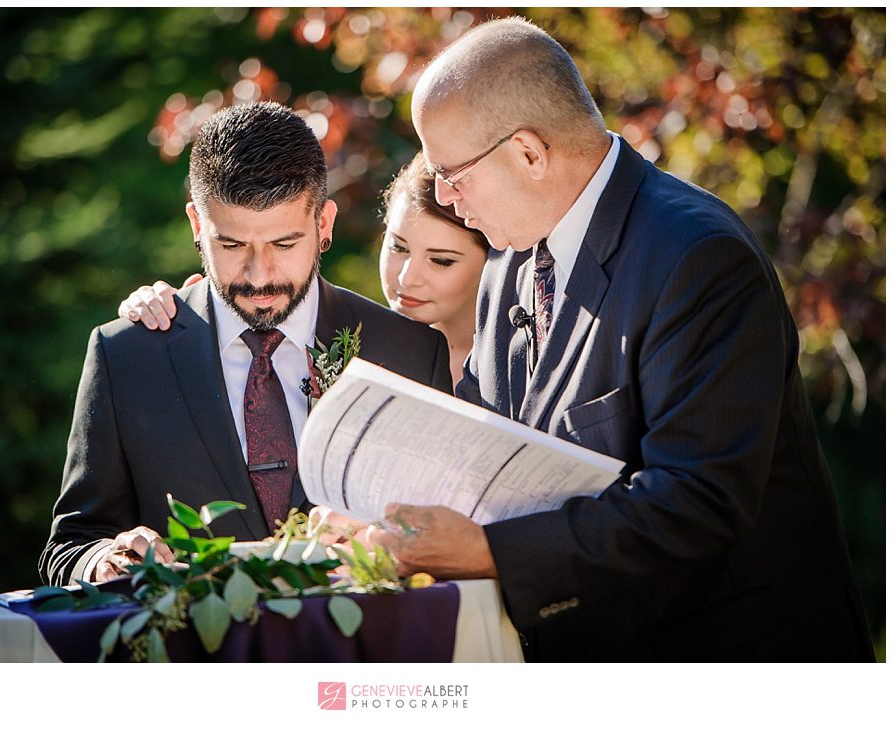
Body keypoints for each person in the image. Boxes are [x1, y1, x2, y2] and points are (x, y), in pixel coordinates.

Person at [364, 17, 874, 661]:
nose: (441, 196)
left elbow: (697, 503)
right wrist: (384, 519)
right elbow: (484, 455)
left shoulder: (698, 258)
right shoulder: (509, 265)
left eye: (451, 172)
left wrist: (487, 553)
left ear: (529, 152)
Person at [39, 102, 451, 587]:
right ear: (197, 225)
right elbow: (72, 543)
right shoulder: (126, 355)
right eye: (232, 246)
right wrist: (105, 559)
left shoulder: (410, 353)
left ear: (324, 225)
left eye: (283, 244)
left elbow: (447, 531)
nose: (259, 277)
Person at [121, 152, 491, 388]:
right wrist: (184, 307)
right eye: (397, 246)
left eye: (441, 260)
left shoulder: (514, 360)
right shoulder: (357, 332)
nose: (407, 277)